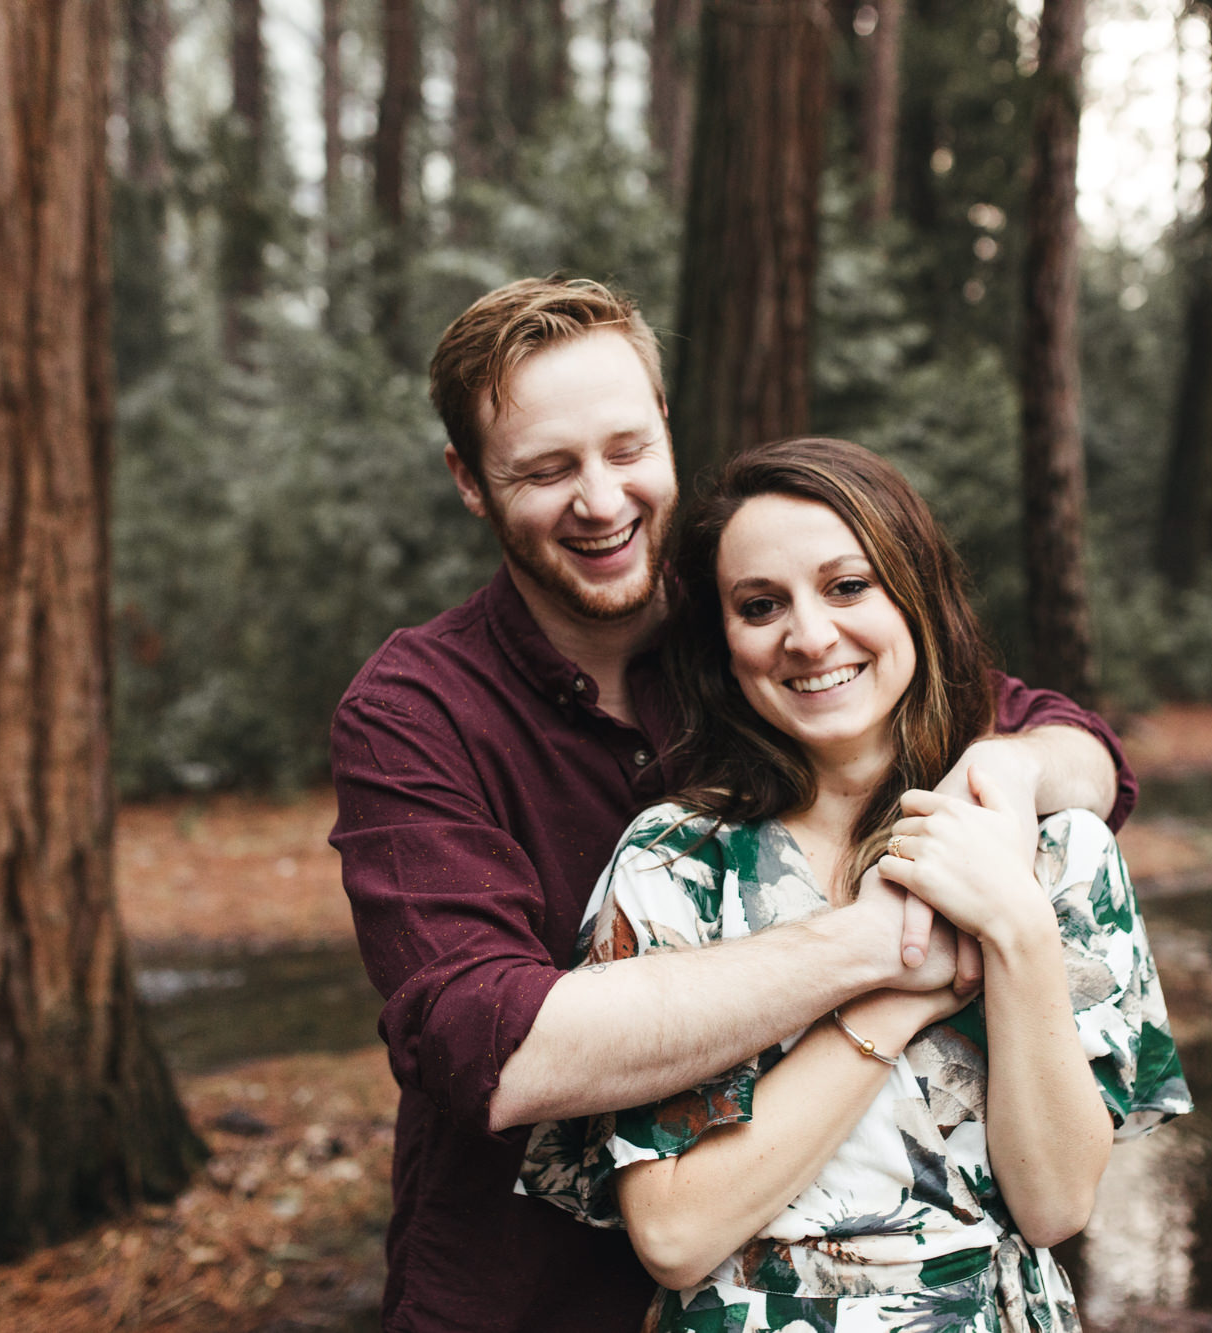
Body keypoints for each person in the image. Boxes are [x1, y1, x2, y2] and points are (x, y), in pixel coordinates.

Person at [329, 277, 1138, 1332]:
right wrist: (886, 950)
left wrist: (1018, 779)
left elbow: (1073, 749)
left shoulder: (759, 629)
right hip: (527, 1293)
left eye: (624, 450)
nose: (600, 500)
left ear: (666, 427)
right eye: (544, 469)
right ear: (469, 482)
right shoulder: (413, 709)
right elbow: (491, 1044)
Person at [519, 438, 1190, 1329]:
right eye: (761, 605)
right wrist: (895, 997)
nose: (809, 635)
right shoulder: (674, 864)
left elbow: (1055, 1205)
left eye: (847, 586)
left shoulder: (1057, 847)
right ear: (724, 642)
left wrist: (1019, 932)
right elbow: (675, 1233)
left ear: (915, 596)